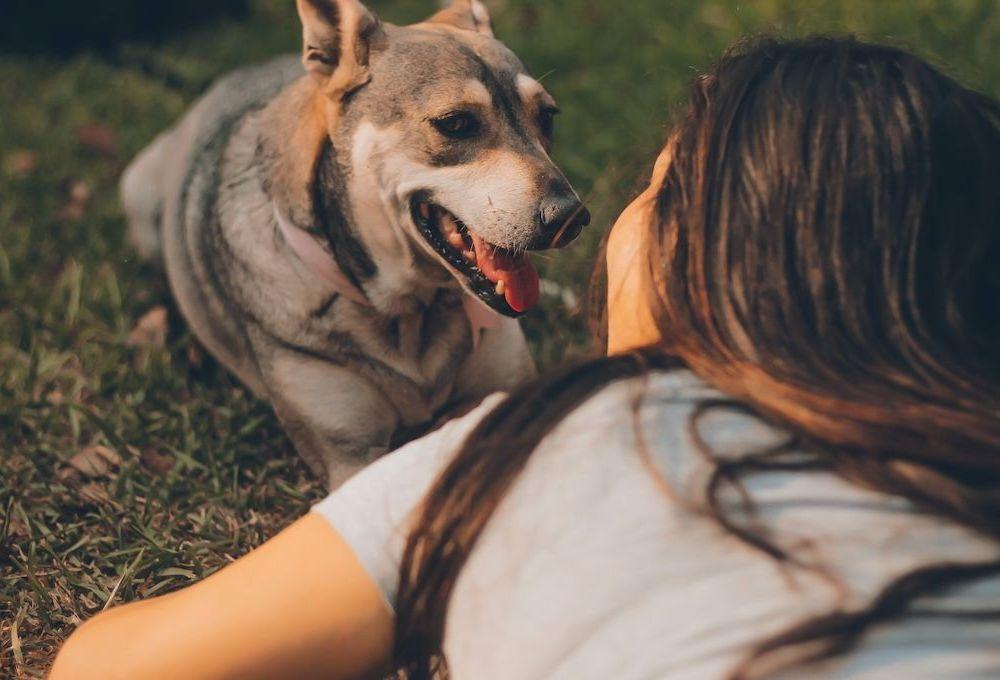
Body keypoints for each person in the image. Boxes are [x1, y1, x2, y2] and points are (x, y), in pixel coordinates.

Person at [50, 36, 1000, 680]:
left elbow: (107, 667)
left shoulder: (522, 452)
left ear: (722, 261)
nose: (582, 208)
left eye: (658, 189)